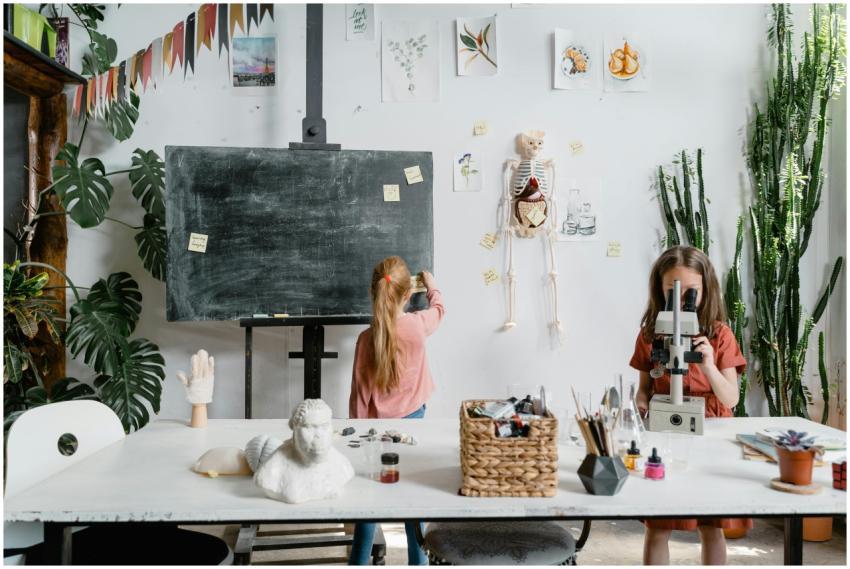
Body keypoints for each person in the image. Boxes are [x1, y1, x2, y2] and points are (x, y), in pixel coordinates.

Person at [630, 245, 749, 565]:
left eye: (690, 292)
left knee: (711, 527)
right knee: (659, 526)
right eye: (673, 291)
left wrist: (708, 365)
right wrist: (640, 403)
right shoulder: (650, 335)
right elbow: (644, 389)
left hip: (712, 433)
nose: (682, 299)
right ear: (659, 289)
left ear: (705, 290)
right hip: (668, 437)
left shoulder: (720, 335)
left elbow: (731, 398)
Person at [348, 256, 445, 565]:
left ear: (373, 292)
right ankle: (419, 562)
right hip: (413, 423)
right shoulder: (417, 326)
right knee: (413, 502)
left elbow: (359, 395)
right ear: (407, 295)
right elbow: (439, 311)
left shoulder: (366, 339)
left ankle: (358, 562)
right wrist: (431, 287)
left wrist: (357, 435)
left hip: (375, 431)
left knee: (368, 504)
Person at [253, 399, 354, 504]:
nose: (319, 435)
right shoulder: (271, 471)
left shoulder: (342, 465)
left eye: (325, 426)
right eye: (308, 427)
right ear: (295, 429)